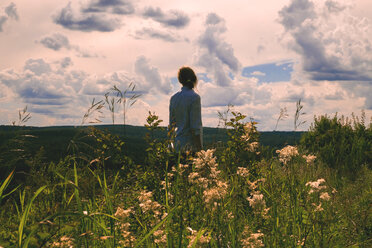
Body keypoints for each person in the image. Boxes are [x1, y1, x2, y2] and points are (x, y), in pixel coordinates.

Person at [169, 67, 203, 152]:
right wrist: (200, 150)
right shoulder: (195, 97)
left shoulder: (174, 98)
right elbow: (195, 127)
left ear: (180, 80)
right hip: (190, 146)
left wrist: (170, 145)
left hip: (177, 145)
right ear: (194, 78)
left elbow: (171, 125)